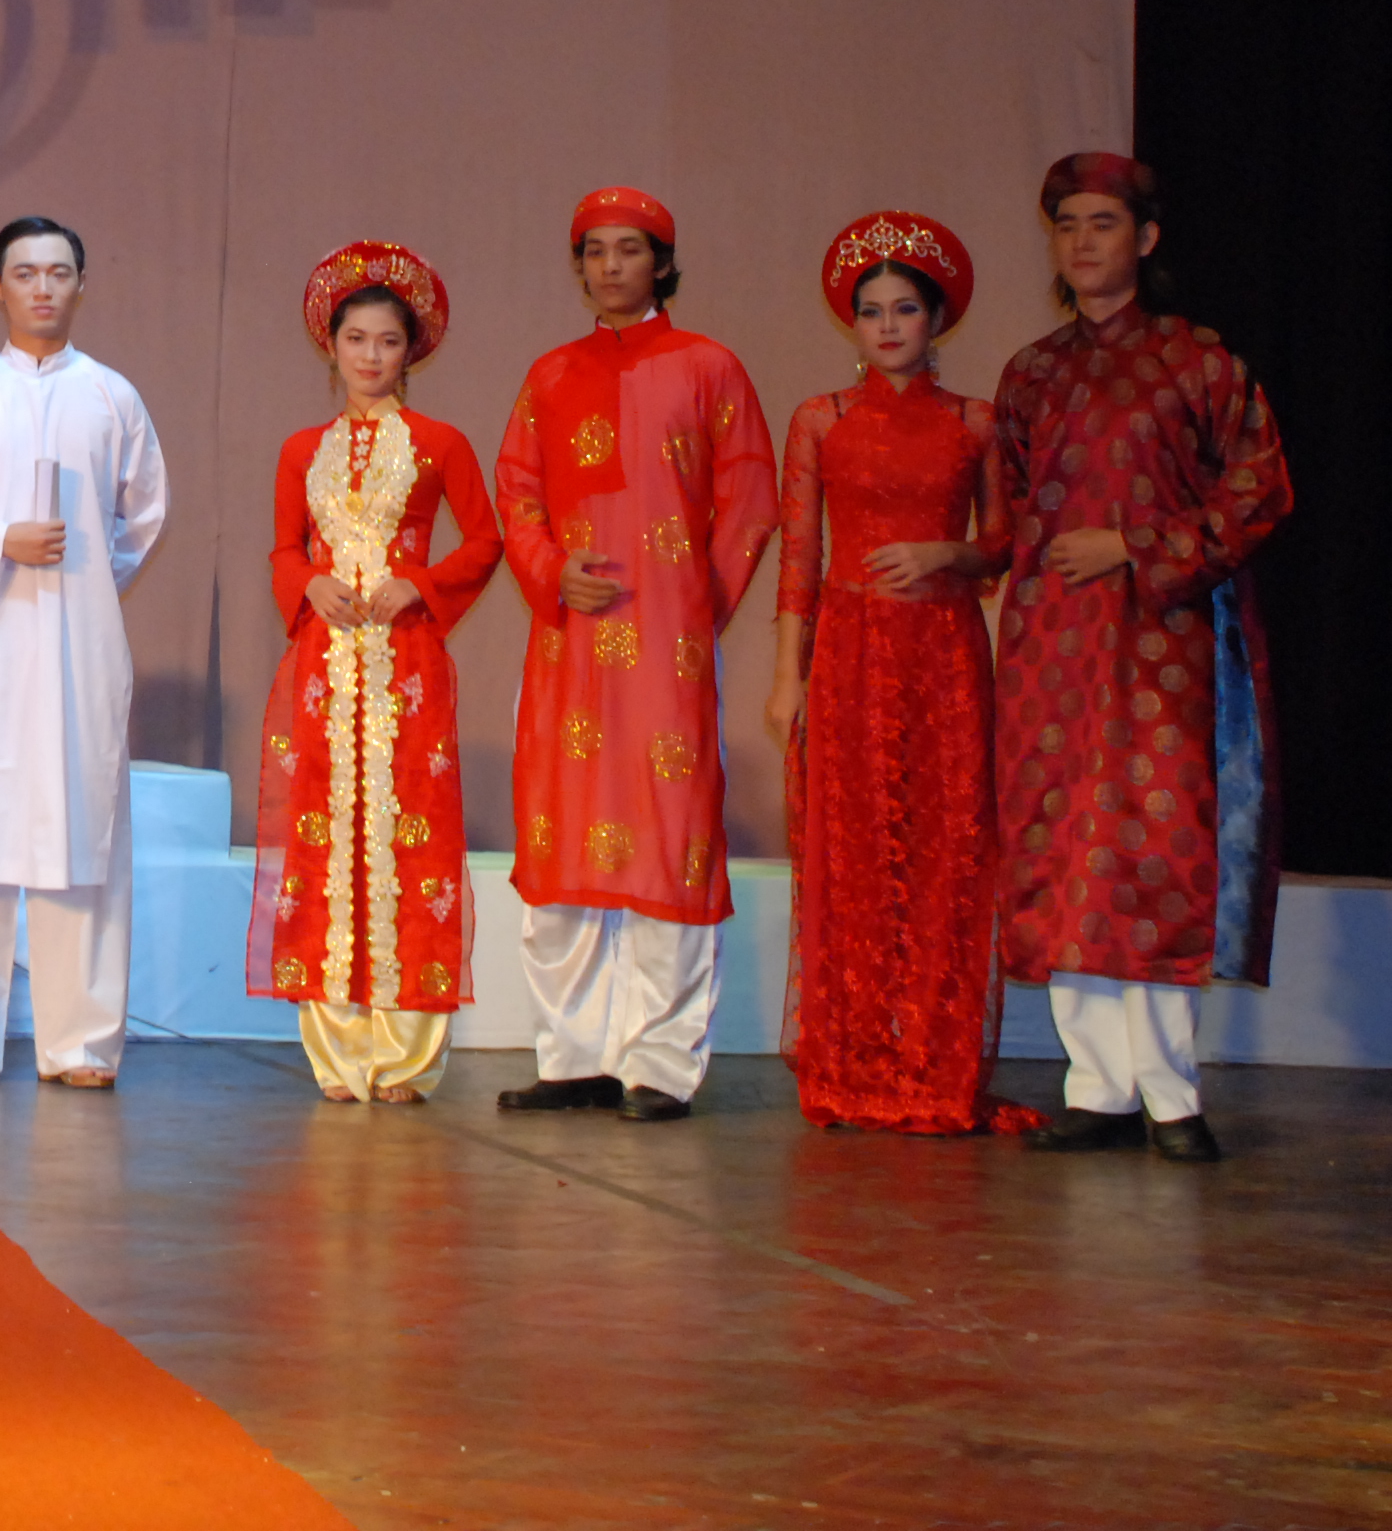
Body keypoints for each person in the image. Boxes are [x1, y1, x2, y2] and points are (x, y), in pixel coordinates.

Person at [996, 154, 1290, 1163]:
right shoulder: (1031, 372)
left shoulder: (1197, 361)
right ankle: (1097, 1089)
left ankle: (1170, 1095)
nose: (1082, 243)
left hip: (1161, 644)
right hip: (1051, 646)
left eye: (1103, 223)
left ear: (1145, 238)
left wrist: (1134, 545)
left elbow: (1259, 491)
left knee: (1151, 852)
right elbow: (1013, 507)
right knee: (1066, 853)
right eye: (1067, 225)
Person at [490, 187, 776, 1124]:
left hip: (667, 652)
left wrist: (694, 605)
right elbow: (517, 493)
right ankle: (572, 1058)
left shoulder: (709, 367)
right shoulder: (548, 375)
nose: (611, 266)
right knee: (564, 833)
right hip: (570, 645)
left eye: (629, 250)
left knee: (667, 836)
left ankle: (659, 1063)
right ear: (578, 267)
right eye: (594, 251)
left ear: (661, 263)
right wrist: (549, 570)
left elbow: (750, 502)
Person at [0, 217, 170, 1091]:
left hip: (79, 648)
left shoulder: (111, 397)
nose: (43, 288)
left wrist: (85, 585)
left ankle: (79, 1043)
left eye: (59, 272)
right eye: (25, 273)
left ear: (81, 284)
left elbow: (144, 514)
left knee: (81, 832)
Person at [764, 214, 1010, 1135]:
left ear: (936, 318)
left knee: (946, 851)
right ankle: (854, 1060)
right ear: (853, 324)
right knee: (854, 851)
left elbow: (1004, 543)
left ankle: (934, 1064)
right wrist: (786, 678)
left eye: (906, 309)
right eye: (872, 312)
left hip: (944, 654)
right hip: (851, 653)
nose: (889, 326)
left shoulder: (975, 422)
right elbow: (799, 559)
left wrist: (949, 551)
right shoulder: (820, 420)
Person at [252, 242, 497, 1104]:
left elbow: (486, 540)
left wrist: (419, 585)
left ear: (410, 350)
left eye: (387, 341)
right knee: (325, 836)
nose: (369, 355)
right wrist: (308, 584)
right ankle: (338, 1047)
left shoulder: (440, 444)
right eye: (355, 339)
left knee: (413, 838)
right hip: (325, 665)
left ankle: (408, 1052)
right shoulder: (301, 449)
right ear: (331, 345)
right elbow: (284, 547)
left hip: (407, 664)